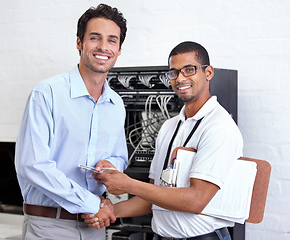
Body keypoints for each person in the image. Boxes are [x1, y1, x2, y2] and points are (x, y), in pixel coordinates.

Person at [84, 41, 243, 240]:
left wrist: (128, 184)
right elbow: (152, 198)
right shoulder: (169, 127)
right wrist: (111, 211)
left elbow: (196, 200)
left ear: (208, 72)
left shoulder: (219, 127)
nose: (180, 78)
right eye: (174, 72)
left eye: (189, 70)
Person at [14, 4, 128, 240]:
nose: (103, 47)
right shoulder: (46, 94)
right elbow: (32, 165)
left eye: (112, 41)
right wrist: (91, 203)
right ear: (80, 43)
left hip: (95, 227)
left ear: (118, 50)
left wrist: (111, 164)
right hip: (48, 227)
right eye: (95, 38)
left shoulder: (116, 104)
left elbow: (121, 157)